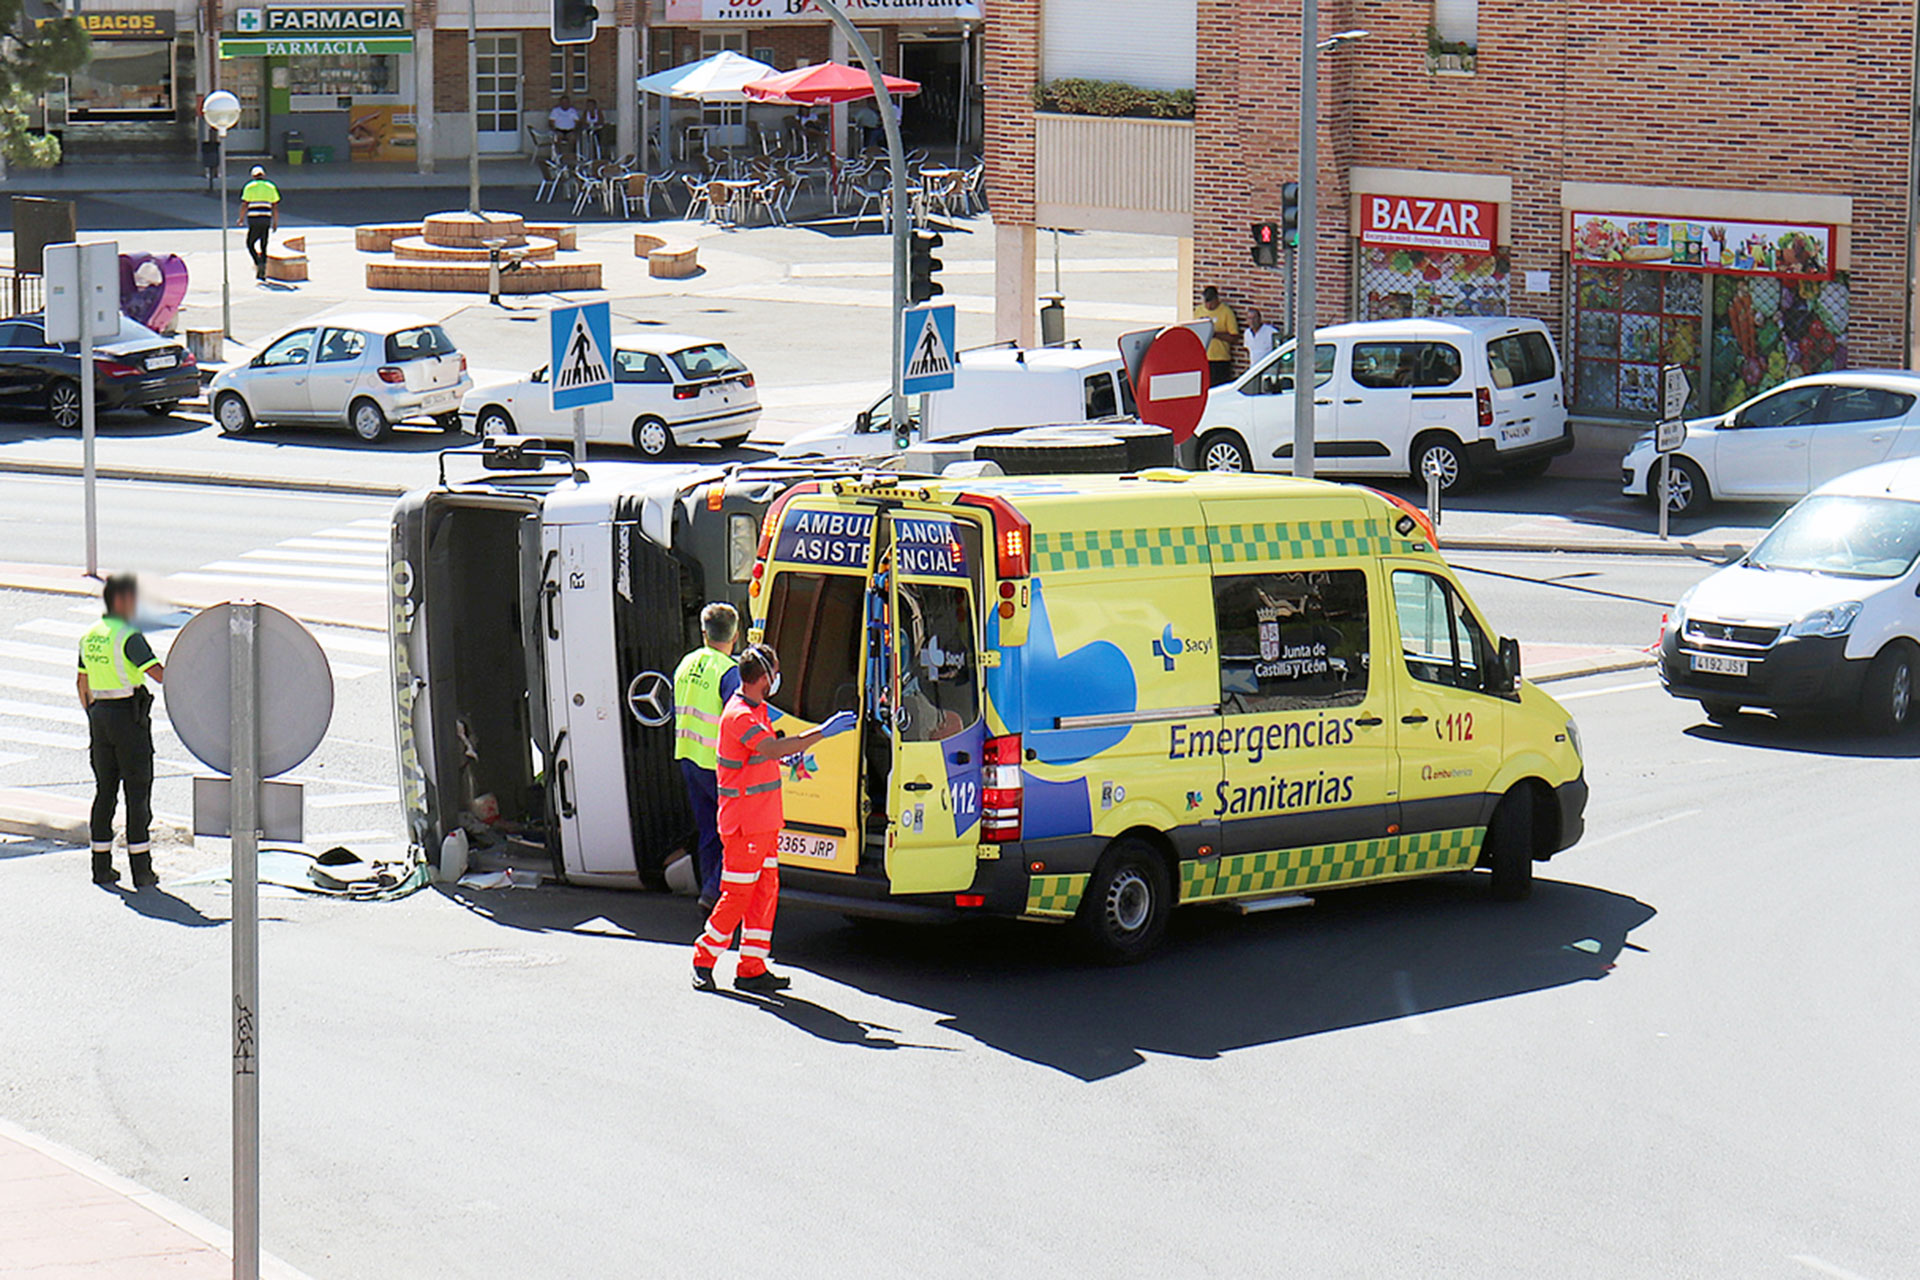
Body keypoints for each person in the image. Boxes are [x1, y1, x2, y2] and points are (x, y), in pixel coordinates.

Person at [692, 644, 856, 994]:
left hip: (763, 822)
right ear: (764, 677)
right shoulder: (739, 715)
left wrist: (787, 762)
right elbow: (770, 748)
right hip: (744, 825)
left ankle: (752, 967)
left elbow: (761, 757)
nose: (778, 679)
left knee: (765, 892)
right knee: (737, 895)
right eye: (776, 672)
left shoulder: (757, 708)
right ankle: (703, 959)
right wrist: (821, 733)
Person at [76, 574, 164, 888]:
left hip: (99, 717)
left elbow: (82, 683)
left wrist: (94, 716)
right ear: (123, 601)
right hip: (128, 718)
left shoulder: (90, 635)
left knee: (105, 792)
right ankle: (141, 870)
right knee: (137, 795)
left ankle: (101, 867)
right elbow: (159, 675)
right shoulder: (129, 636)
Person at [673, 602, 742, 909]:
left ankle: (708, 893)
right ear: (736, 635)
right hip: (718, 765)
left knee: (708, 832)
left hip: (689, 757)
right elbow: (737, 720)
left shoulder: (686, 664)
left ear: (703, 633)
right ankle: (715, 891)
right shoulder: (728, 672)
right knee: (735, 832)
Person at [239, 165, 280, 283]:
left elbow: (244, 204)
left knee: (250, 243)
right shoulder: (271, 187)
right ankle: (263, 269)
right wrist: (275, 222)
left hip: (253, 218)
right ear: (264, 175)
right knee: (264, 244)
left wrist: (241, 218)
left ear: (253, 176)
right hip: (266, 218)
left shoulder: (249, 187)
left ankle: (258, 262)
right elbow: (275, 206)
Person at [1195, 285, 1240, 386]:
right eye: (1206, 302)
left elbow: (1234, 337)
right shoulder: (1198, 311)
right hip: (1204, 358)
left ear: (1217, 299)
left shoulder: (1226, 312)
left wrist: (1214, 334)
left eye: (1211, 302)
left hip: (1220, 359)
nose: (1208, 306)